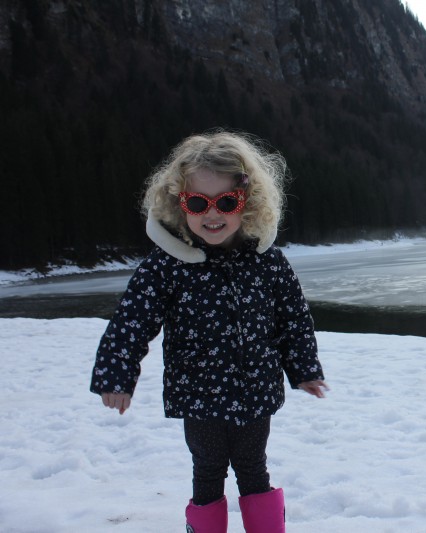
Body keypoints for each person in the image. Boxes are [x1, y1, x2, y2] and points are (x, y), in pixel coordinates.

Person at [90, 130, 327, 533]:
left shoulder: (267, 262)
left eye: (226, 202)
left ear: (246, 202)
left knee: (254, 468)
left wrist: (304, 368)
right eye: (198, 203)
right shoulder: (167, 265)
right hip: (198, 395)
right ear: (179, 203)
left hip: (255, 392)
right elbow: (132, 320)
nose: (211, 215)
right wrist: (117, 376)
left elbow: (292, 319)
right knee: (207, 471)